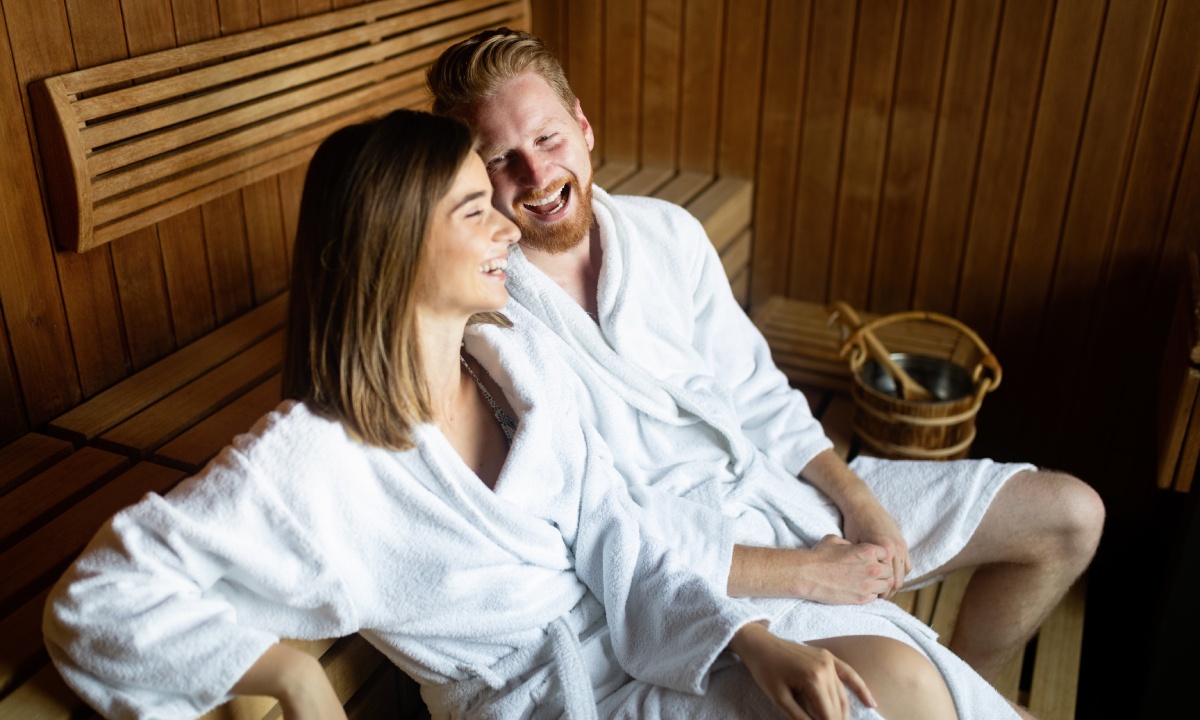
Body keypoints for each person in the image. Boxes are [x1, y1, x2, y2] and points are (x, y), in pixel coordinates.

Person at [42, 109, 1001, 720]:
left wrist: (745, 638)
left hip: (653, 648)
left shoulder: (514, 370)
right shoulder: (316, 462)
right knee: (893, 693)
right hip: (551, 704)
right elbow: (96, 604)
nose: (508, 222)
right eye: (474, 210)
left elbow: (620, 536)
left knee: (891, 683)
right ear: (390, 247)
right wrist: (290, 677)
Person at [425, 28, 1105, 691]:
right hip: (704, 576)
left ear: (583, 126)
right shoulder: (490, 325)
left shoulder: (666, 233)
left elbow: (756, 392)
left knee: (1070, 515)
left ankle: (974, 687)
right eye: (501, 158)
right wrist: (805, 572)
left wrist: (858, 500)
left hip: (777, 489)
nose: (537, 174)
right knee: (904, 688)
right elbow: (604, 528)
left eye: (548, 138)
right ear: (471, 180)